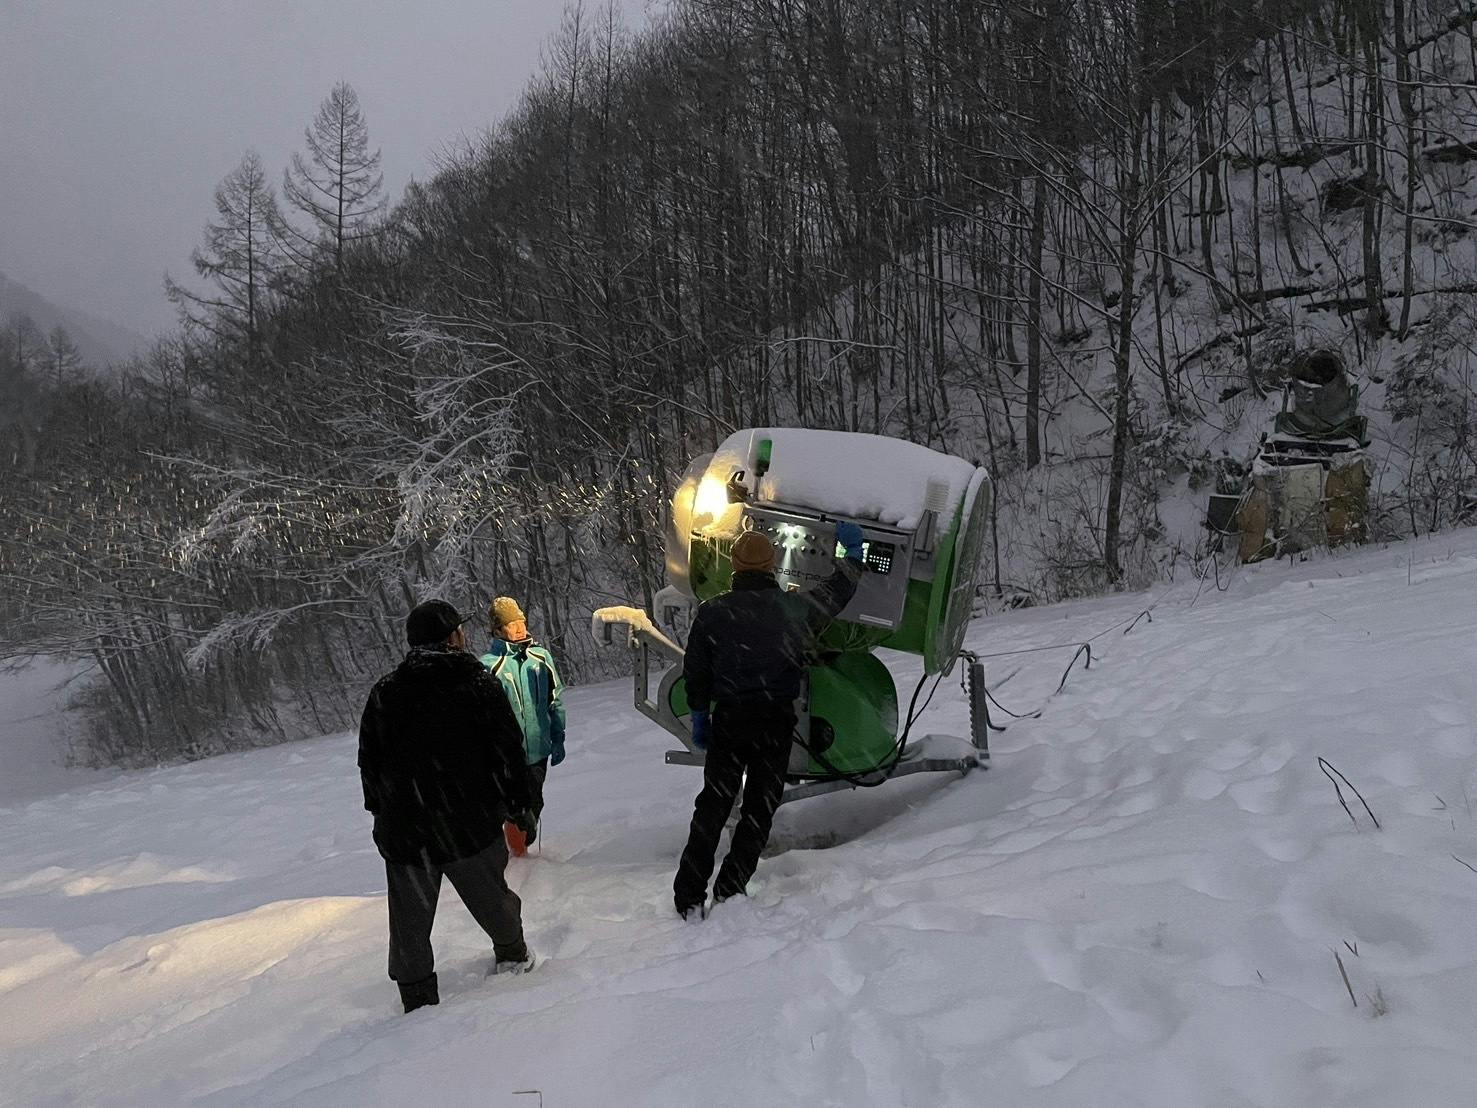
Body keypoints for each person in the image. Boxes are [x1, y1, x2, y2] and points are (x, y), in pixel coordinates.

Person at [673, 521, 866, 920]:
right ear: (772, 563)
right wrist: (851, 555)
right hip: (774, 722)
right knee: (758, 810)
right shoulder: (792, 609)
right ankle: (730, 887)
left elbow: (696, 673)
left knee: (713, 806)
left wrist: (700, 716)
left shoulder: (713, 613)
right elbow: (837, 593)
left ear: (734, 565)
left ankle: (688, 895)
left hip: (730, 721)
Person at [358, 599, 541, 1013]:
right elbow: (507, 752)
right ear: (453, 637)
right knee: (492, 900)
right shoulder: (477, 686)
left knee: (409, 921)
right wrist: (520, 804)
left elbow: (369, 760)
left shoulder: (386, 692)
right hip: (468, 825)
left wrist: (379, 811)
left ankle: (416, 997)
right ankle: (513, 957)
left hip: (407, 832)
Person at [480, 596, 567, 856]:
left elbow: (555, 699)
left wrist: (558, 736)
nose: (519, 628)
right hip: (507, 757)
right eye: (511, 624)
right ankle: (518, 858)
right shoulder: (488, 666)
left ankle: (520, 851)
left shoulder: (540, 658)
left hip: (538, 749)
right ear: (497, 630)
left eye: (521, 622)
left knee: (535, 802)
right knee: (517, 810)